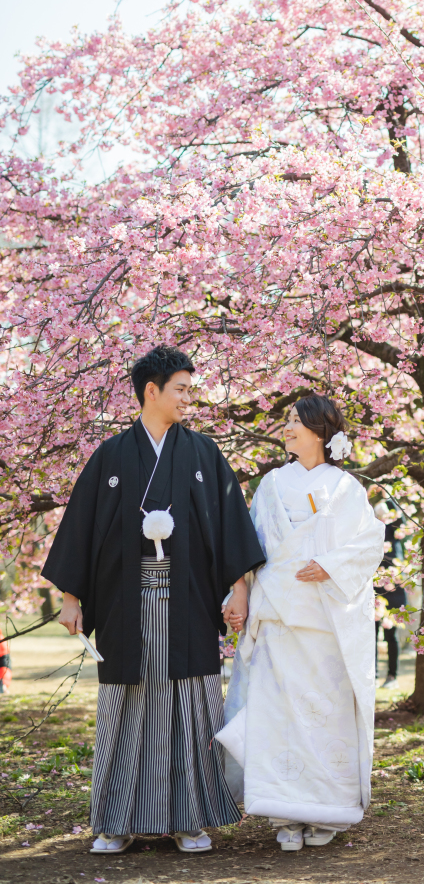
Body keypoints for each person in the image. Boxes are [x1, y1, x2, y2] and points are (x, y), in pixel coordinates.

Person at [42, 345, 265, 855]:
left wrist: (239, 587)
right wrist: (72, 597)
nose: (189, 398)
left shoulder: (203, 453)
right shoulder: (113, 455)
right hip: (126, 601)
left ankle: (190, 820)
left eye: (190, 388)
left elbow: (231, 528)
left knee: (189, 704)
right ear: (152, 391)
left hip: (187, 601)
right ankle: (116, 822)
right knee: (126, 706)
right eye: (181, 389)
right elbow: (81, 527)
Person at [217, 395, 385, 853]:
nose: (286, 427)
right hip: (278, 617)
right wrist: (241, 592)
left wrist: (330, 564)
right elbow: (249, 544)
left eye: (294, 421)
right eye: (286, 419)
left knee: (324, 718)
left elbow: (371, 544)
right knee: (278, 717)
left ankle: (327, 809)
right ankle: (284, 812)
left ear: (319, 431)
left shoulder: (346, 487)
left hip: (324, 619)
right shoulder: (272, 483)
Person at [373, 500, 407, 690]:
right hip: (374, 587)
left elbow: (399, 518)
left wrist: (386, 497)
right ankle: (374, 675)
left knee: (391, 635)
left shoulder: (394, 533)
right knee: (371, 633)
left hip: (394, 587)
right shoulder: (369, 531)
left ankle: (392, 675)